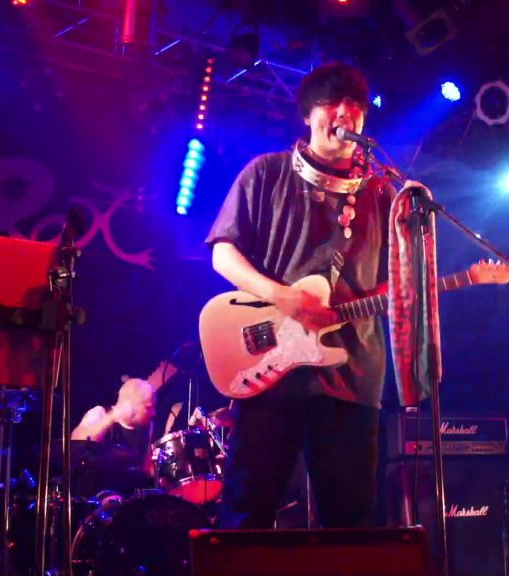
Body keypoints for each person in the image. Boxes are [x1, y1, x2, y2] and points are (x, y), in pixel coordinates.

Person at [205, 61, 407, 529]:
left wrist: (416, 290)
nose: (345, 113)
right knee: (247, 513)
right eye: (332, 103)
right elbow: (222, 255)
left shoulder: (383, 194)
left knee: (350, 523)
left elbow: (394, 281)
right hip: (268, 369)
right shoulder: (266, 173)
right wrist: (282, 297)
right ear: (307, 114)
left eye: (355, 105)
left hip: (353, 375)